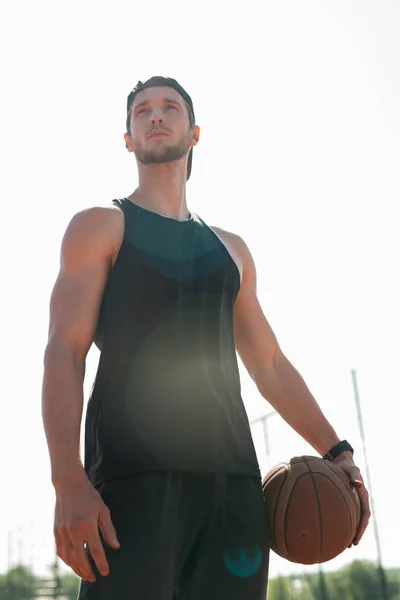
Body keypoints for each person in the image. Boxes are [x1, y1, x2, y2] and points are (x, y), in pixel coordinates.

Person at [41, 76, 370, 600]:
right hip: (132, 483)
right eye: (141, 111)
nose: (155, 115)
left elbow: (270, 365)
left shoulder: (230, 250)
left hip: (233, 491)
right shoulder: (101, 226)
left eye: (170, 107)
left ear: (194, 133)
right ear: (127, 138)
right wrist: (67, 481)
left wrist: (338, 451)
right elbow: (64, 352)